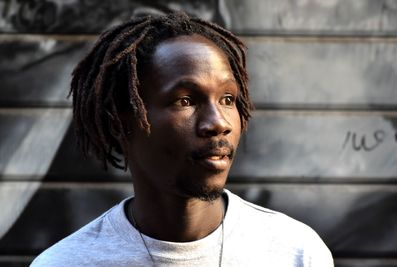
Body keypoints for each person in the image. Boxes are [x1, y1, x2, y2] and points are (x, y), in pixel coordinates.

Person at [31, 12, 334, 266]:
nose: (218, 123)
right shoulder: (65, 263)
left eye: (228, 99)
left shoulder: (296, 252)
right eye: (185, 101)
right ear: (119, 123)